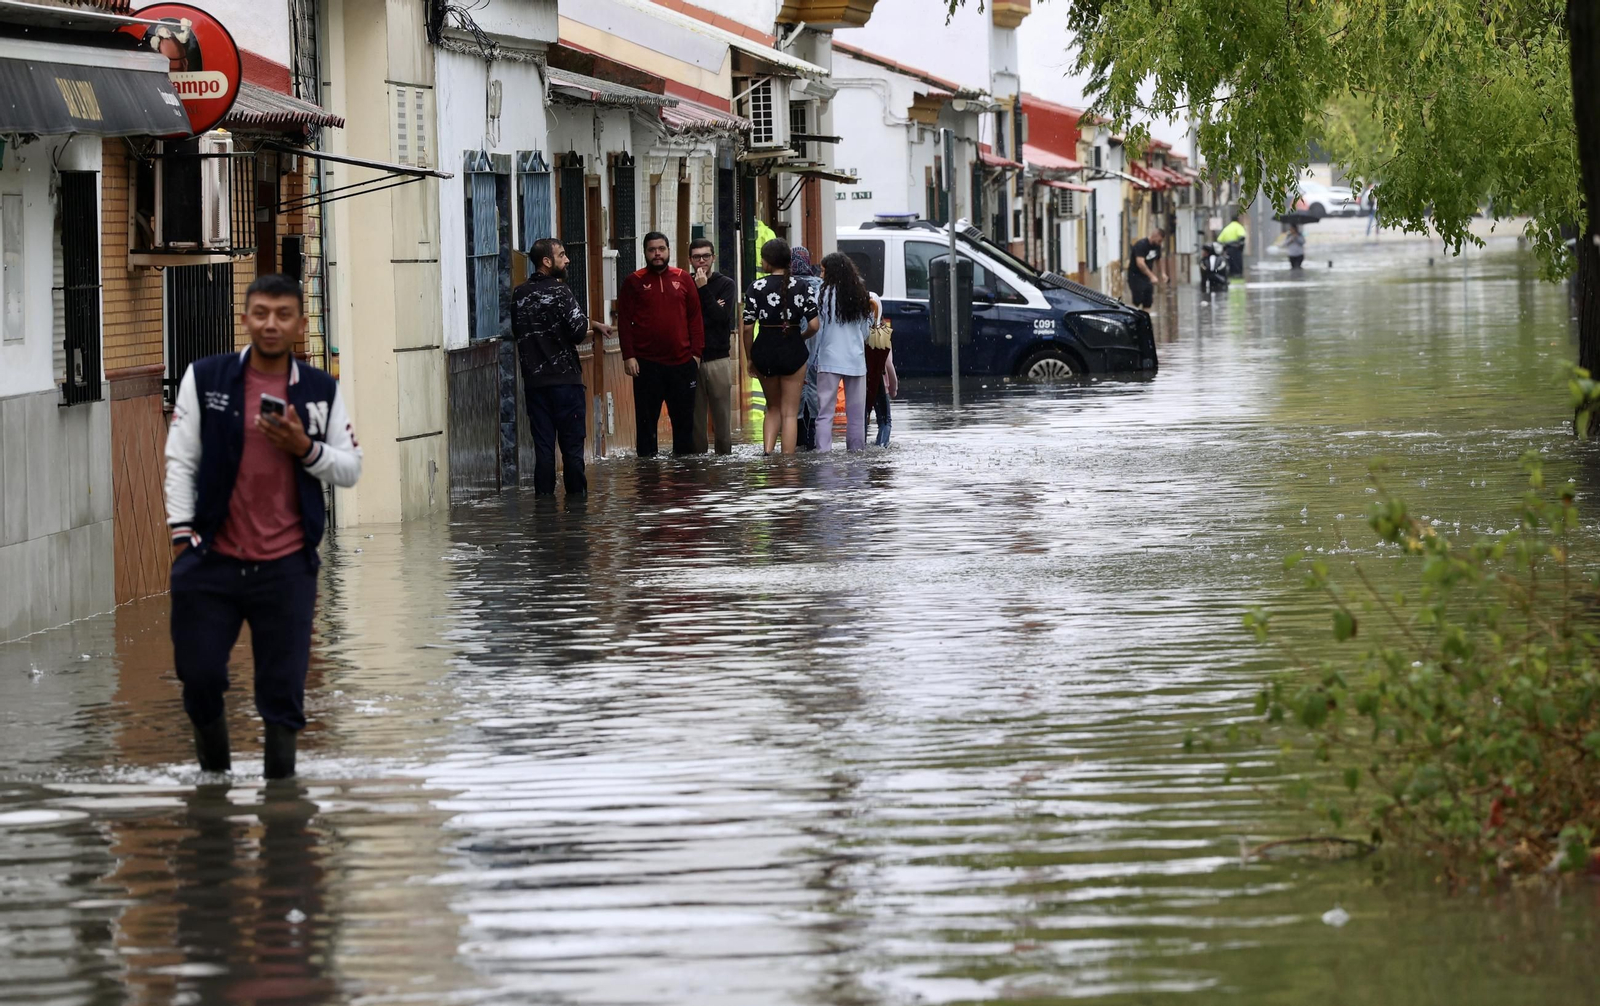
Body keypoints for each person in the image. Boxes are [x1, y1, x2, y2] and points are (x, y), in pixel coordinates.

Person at [164, 274, 363, 780]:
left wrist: (305, 449)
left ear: (299, 323)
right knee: (200, 677)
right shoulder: (205, 379)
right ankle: (215, 787)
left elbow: (350, 467)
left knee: (282, 694)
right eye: (260, 313)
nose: (270, 324)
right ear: (246, 317)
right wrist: (183, 538)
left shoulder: (319, 391)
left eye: (281, 314)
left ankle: (282, 808)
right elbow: (180, 461)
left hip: (287, 567)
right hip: (211, 562)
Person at [513, 237, 614, 494]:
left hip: (535, 385)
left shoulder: (519, 294)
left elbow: (521, 330)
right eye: (561, 255)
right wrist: (587, 322)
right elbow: (578, 330)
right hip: (565, 383)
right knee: (572, 450)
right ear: (546, 262)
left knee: (544, 449)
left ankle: (544, 510)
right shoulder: (561, 291)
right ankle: (576, 510)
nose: (567, 259)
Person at [619, 232, 704, 456]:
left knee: (684, 425)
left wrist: (696, 354)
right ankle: (647, 481)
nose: (657, 253)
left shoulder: (683, 278)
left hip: (682, 364)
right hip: (646, 365)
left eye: (661, 249)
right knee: (646, 425)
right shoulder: (634, 281)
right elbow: (625, 322)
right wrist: (628, 355)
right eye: (652, 250)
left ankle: (684, 481)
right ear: (645, 252)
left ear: (669, 250)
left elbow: (695, 318)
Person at [742, 238, 819, 455]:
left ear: (766, 262)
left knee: (772, 407)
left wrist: (750, 358)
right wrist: (801, 337)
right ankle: (788, 462)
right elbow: (814, 325)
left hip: (764, 350)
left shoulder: (755, 287)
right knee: (789, 412)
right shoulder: (803, 286)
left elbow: (747, 329)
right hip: (793, 349)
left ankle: (767, 453)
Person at [813, 253, 881, 452]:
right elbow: (865, 332)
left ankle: (823, 454)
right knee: (856, 414)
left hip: (828, 358)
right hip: (855, 360)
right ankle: (856, 454)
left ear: (832, 271)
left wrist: (813, 357)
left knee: (825, 413)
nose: (821, 274)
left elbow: (819, 328)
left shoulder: (822, 295)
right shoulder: (860, 295)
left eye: (823, 271)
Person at [686, 238, 738, 455]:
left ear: (713, 258)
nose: (701, 261)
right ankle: (698, 467)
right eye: (696, 257)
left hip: (718, 359)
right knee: (696, 421)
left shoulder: (726, 284)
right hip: (692, 359)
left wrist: (704, 289)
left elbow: (719, 317)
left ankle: (724, 463)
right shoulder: (685, 283)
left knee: (722, 419)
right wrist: (709, 301)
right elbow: (687, 319)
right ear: (690, 260)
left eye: (705, 256)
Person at [791, 246, 823, 451]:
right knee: (816, 397)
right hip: (820, 351)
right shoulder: (822, 287)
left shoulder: (788, 286)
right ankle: (814, 441)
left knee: (794, 398)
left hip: (794, 353)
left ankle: (798, 442)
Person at [1125, 228, 1164, 309]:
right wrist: (1152, 276)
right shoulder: (1141, 245)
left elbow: (1158, 260)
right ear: (1154, 236)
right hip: (1135, 275)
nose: (1160, 243)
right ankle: (1133, 317)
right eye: (1159, 240)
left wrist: (1162, 274)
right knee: (1138, 299)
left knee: (1148, 300)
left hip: (1146, 277)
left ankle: (1145, 319)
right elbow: (1140, 263)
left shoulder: (1157, 246)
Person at [867, 350, 898, 447]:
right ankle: (882, 446)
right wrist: (893, 388)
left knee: (861, 420)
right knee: (885, 421)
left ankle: (859, 447)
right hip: (880, 385)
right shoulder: (883, 336)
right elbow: (888, 364)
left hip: (862, 385)